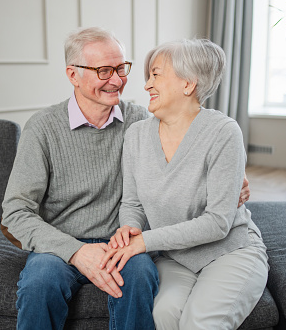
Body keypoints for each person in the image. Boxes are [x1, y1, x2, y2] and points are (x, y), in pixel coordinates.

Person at [2, 27, 250, 330]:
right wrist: (77, 251)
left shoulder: (141, 122)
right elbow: (15, 214)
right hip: (60, 244)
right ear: (73, 74)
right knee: (39, 283)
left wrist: (237, 179)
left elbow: (189, 145)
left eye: (121, 68)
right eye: (104, 70)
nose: (118, 80)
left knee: (141, 276)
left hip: (123, 244)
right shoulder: (42, 128)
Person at [100, 38, 269, 330]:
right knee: (162, 315)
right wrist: (130, 227)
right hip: (176, 258)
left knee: (199, 323)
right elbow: (132, 204)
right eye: (148, 76)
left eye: (156, 74)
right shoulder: (137, 135)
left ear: (188, 84)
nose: (147, 85)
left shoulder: (223, 132)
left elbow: (218, 223)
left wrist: (144, 242)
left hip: (230, 251)